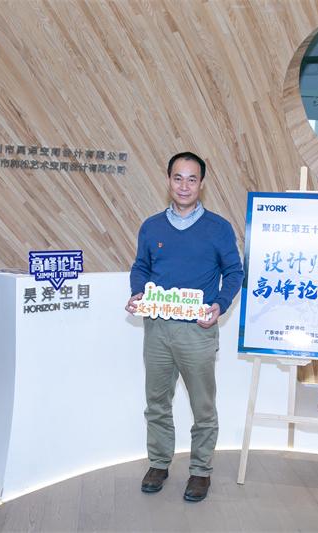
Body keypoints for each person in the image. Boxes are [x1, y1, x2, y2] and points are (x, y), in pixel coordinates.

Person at [125, 152, 244, 502]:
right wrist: (138, 292)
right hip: (157, 329)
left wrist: (220, 305)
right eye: (178, 178)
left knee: (202, 406)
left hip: (197, 330)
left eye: (192, 179)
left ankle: (200, 471)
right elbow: (141, 267)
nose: (184, 186)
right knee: (156, 402)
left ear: (201, 184)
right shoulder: (151, 227)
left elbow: (234, 272)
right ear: (168, 181)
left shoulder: (218, 228)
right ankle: (159, 464)